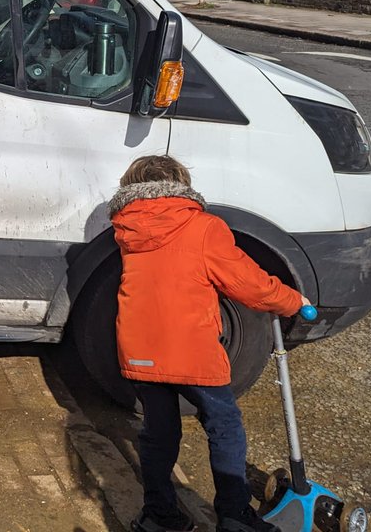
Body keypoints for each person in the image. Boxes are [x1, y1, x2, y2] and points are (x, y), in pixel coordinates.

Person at [110, 155, 308, 532]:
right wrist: (293, 300)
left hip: (139, 349)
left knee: (159, 431)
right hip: (190, 348)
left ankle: (159, 515)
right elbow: (248, 284)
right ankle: (234, 514)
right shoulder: (202, 227)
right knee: (223, 424)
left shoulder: (128, 229)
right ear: (182, 184)